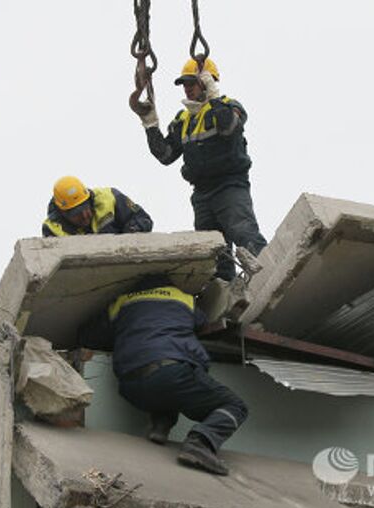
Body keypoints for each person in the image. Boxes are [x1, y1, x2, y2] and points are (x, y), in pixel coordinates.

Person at [78, 275, 248, 476]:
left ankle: (160, 427)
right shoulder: (184, 298)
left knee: (168, 391)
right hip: (171, 373)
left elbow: (89, 336)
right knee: (235, 406)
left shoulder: (122, 302)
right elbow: (203, 323)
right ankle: (200, 443)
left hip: (130, 386)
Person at [137, 57, 266, 280]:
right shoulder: (183, 119)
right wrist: (150, 125)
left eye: (192, 83)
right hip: (202, 194)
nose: (187, 89)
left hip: (229, 186)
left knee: (244, 232)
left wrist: (214, 97)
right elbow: (166, 155)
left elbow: (227, 128)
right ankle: (226, 291)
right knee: (215, 251)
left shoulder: (230, 106)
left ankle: (269, 275)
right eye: (185, 84)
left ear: (207, 82)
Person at [42, 176, 153, 237]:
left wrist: (132, 231)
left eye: (85, 207)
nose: (85, 215)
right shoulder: (52, 230)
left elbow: (143, 219)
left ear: (89, 199)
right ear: (63, 213)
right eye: (77, 213)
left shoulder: (110, 197)